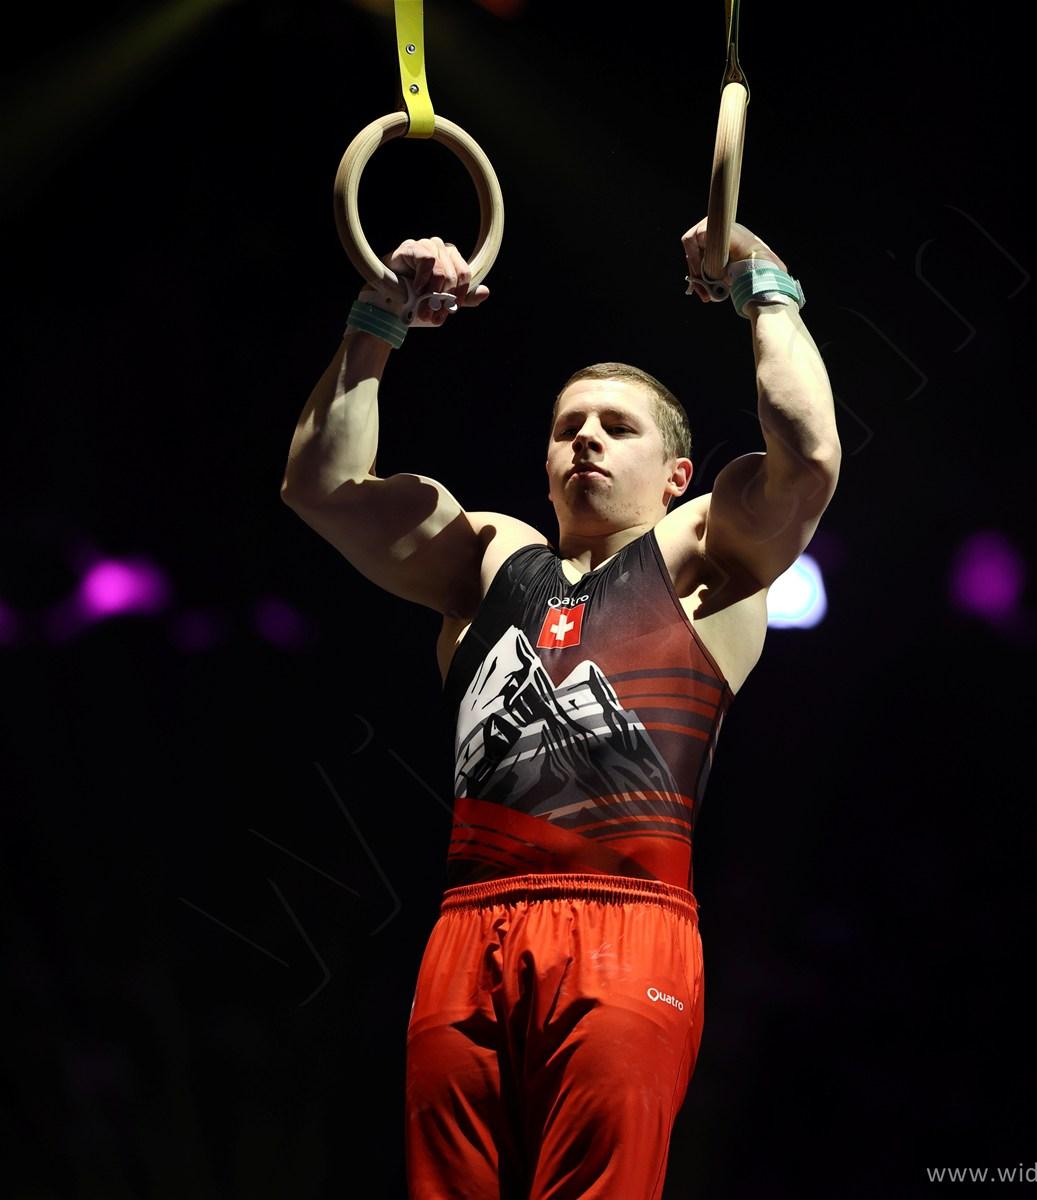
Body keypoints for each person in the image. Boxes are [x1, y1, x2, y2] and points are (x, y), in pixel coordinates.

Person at [280, 219, 840, 1198]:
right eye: (568, 425)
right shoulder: (486, 559)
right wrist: (380, 315)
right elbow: (319, 486)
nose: (586, 436)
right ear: (543, 464)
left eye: (618, 427)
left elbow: (809, 456)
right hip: (467, 935)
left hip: (629, 933)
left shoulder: (704, 565)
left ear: (676, 477)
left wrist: (765, 285)